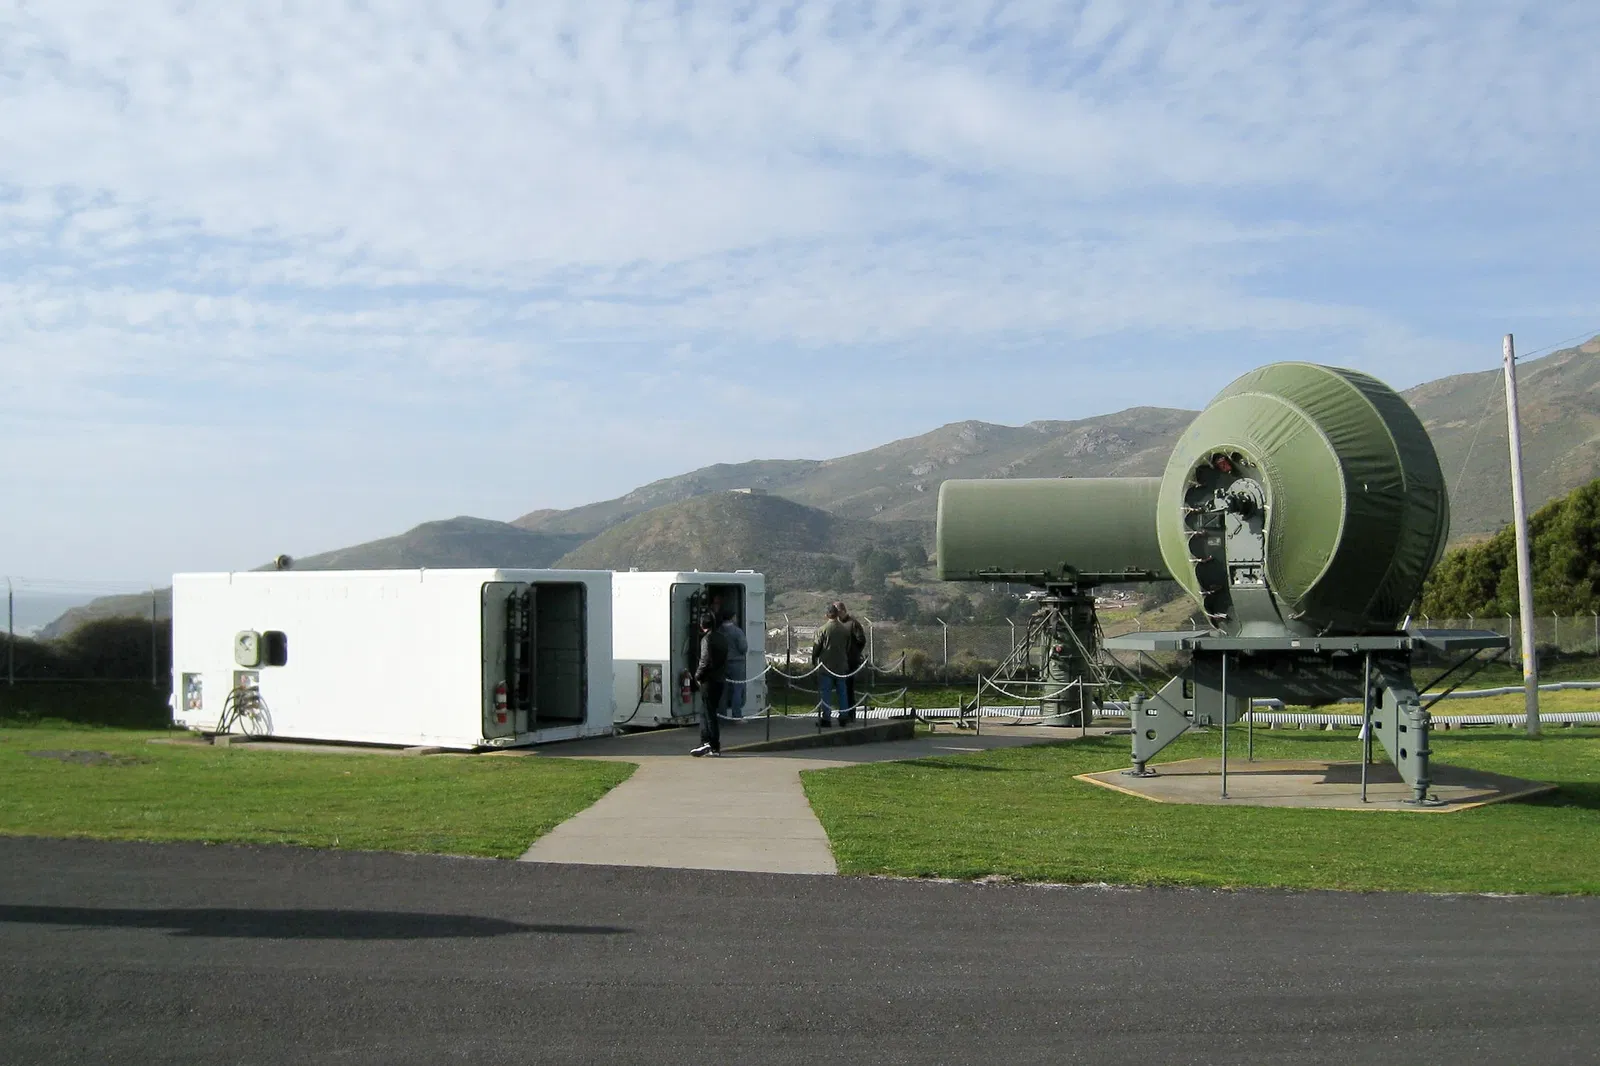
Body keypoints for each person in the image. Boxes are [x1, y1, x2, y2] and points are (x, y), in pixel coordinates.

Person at [691, 611, 728, 757]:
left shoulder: (707, 639)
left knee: (707, 713)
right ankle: (709, 742)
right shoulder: (722, 639)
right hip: (720, 680)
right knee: (709, 712)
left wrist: (698, 675)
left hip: (709, 681)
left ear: (702, 625)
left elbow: (705, 660)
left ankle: (711, 744)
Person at [810, 603, 852, 727]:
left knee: (826, 692)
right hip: (841, 664)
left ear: (826, 615)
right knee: (842, 691)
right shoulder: (845, 630)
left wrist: (814, 659)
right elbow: (848, 647)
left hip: (826, 665)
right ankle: (844, 716)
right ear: (837, 614)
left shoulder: (822, 630)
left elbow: (817, 648)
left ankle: (826, 718)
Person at [836, 601, 867, 725]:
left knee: (848, 688)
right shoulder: (837, 624)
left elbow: (861, 640)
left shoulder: (853, 624)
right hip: (839, 660)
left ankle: (850, 714)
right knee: (841, 688)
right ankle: (843, 713)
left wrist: (853, 653)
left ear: (842, 611)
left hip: (850, 661)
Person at [719, 609, 749, 720]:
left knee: (723, 691)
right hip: (737, 663)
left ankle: (721, 716)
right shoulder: (737, 632)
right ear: (732, 617)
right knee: (737, 689)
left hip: (722, 663)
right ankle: (737, 715)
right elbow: (743, 647)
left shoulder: (719, 631)